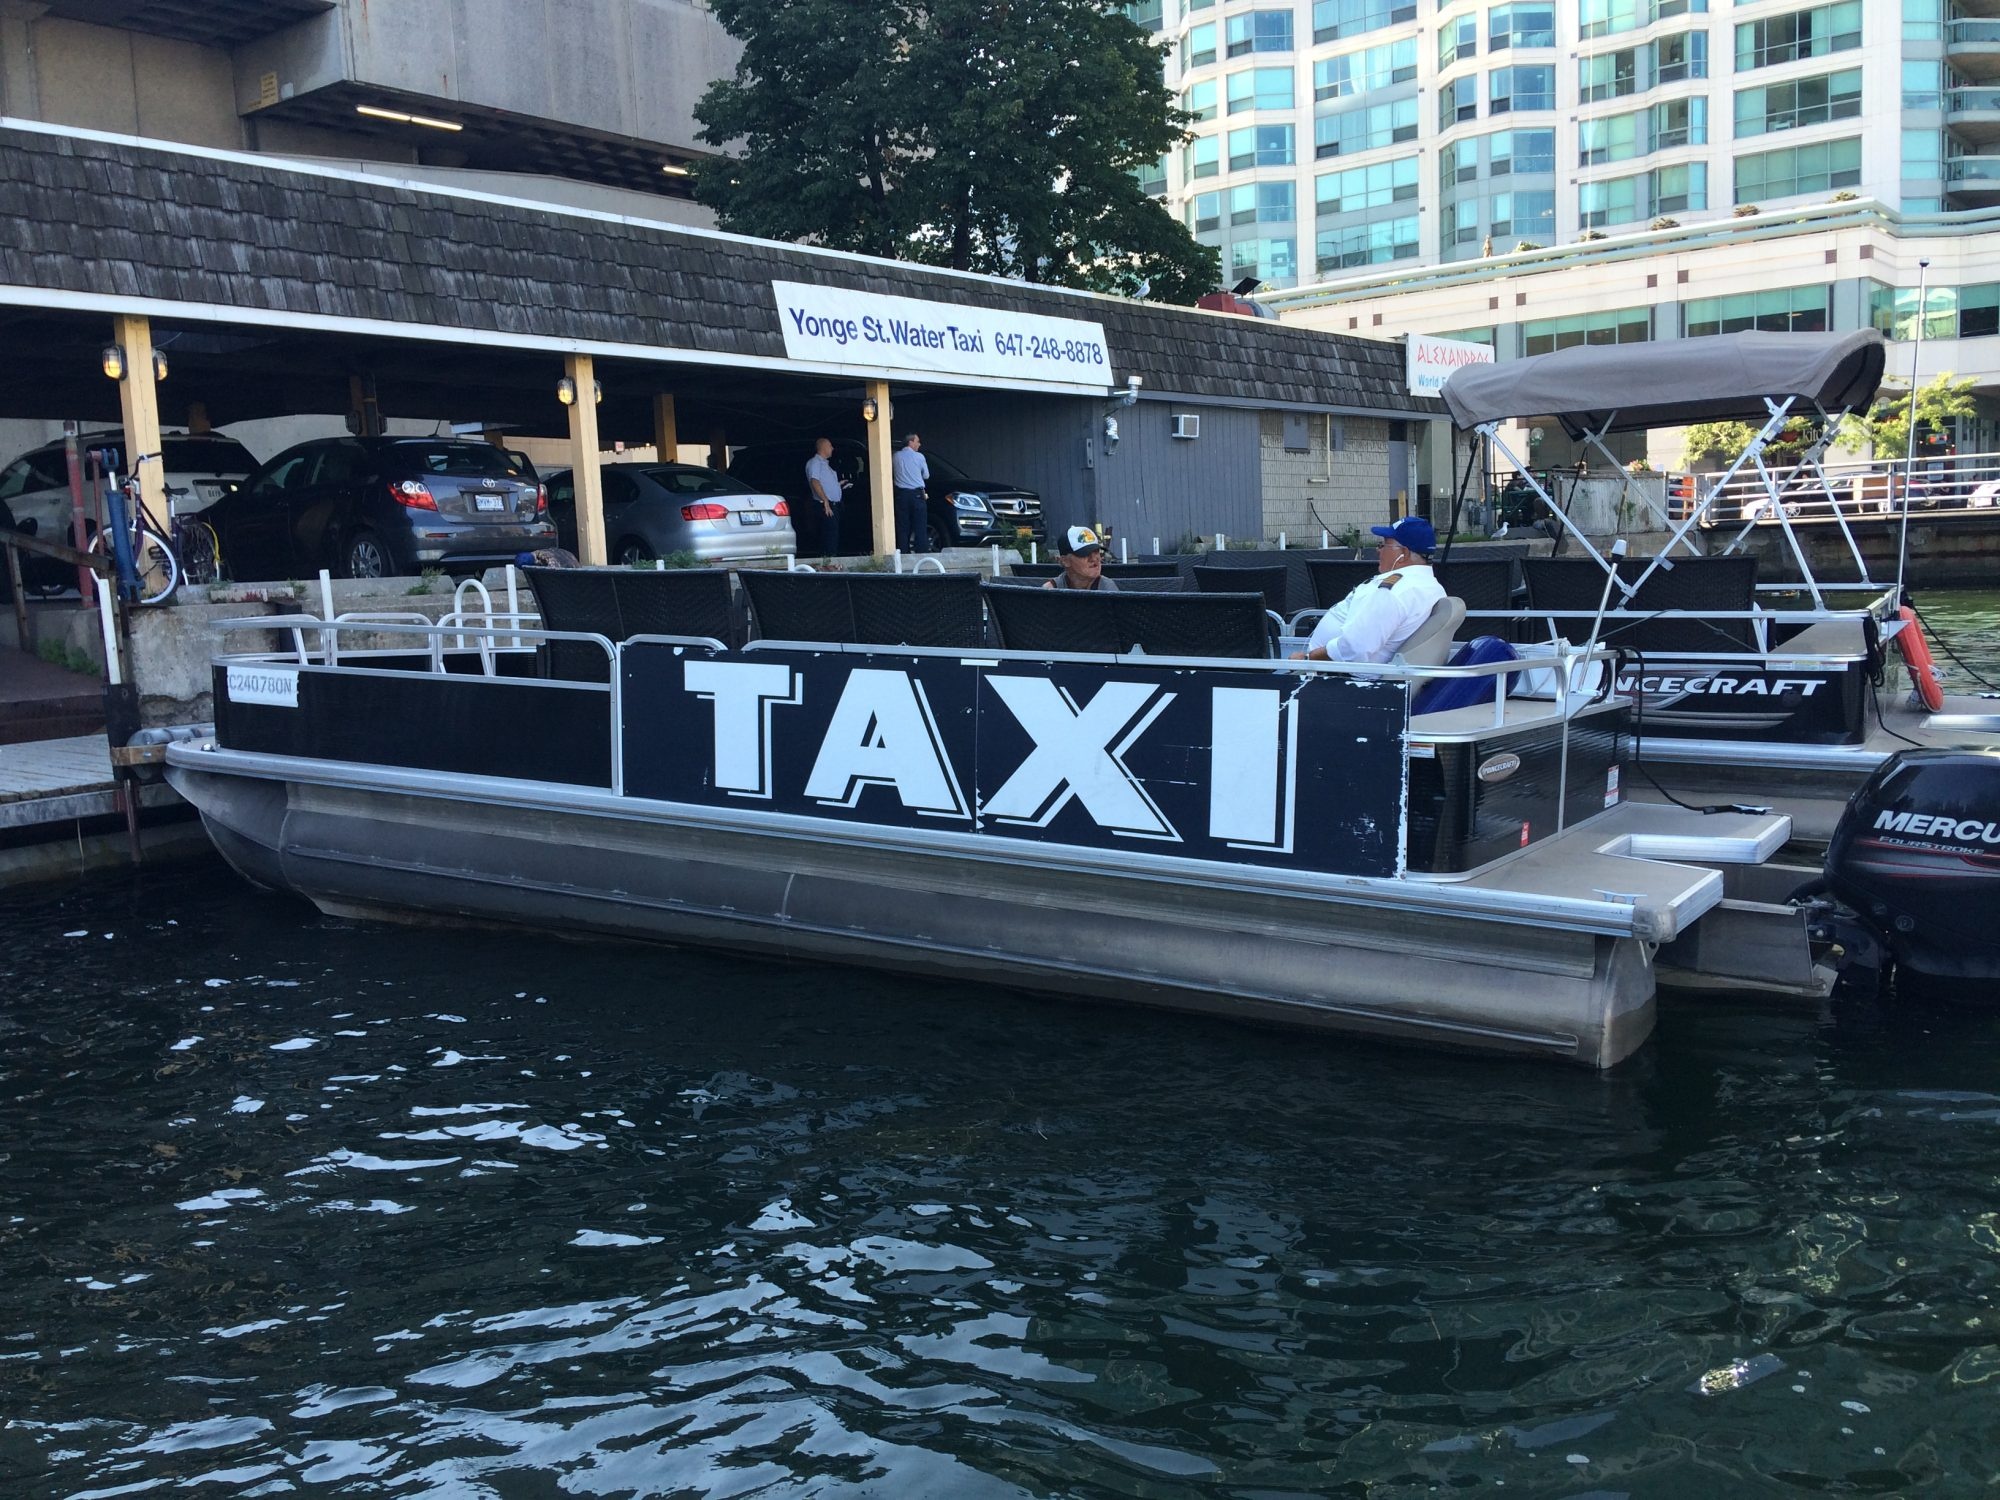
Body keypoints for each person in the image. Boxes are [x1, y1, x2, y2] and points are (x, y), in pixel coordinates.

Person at [1299, 515, 1445, 662]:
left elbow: (1355, 648)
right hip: (1336, 669)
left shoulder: (1393, 593)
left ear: (1404, 553)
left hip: (1335, 673)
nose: (1378, 550)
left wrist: (1306, 658)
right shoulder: (1431, 586)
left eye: (1383, 545)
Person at [1043, 525, 1119, 591]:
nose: (1094, 558)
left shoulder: (1108, 588)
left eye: (1096, 552)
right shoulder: (1050, 590)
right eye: (1085, 553)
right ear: (1065, 561)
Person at [891, 432, 930, 552]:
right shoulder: (919, 457)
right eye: (917, 441)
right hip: (917, 495)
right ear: (910, 442)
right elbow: (926, 475)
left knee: (903, 526)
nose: (919, 444)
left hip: (901, 495)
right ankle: (921, 554)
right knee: (920, 526)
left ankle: (903, 553)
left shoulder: (895, 456)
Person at [804, 438, 842, 556]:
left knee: (833, 534)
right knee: (828, 536)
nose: (832, 448)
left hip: (833, 505)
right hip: (825, 505)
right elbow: (815, 481)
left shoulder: (825, 464)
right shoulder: (815, 463)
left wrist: (839, 485)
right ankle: (828, 561)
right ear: (823, 447)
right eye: (830, 446)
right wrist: (825, 501)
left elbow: (825, 482)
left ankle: (831, 559)